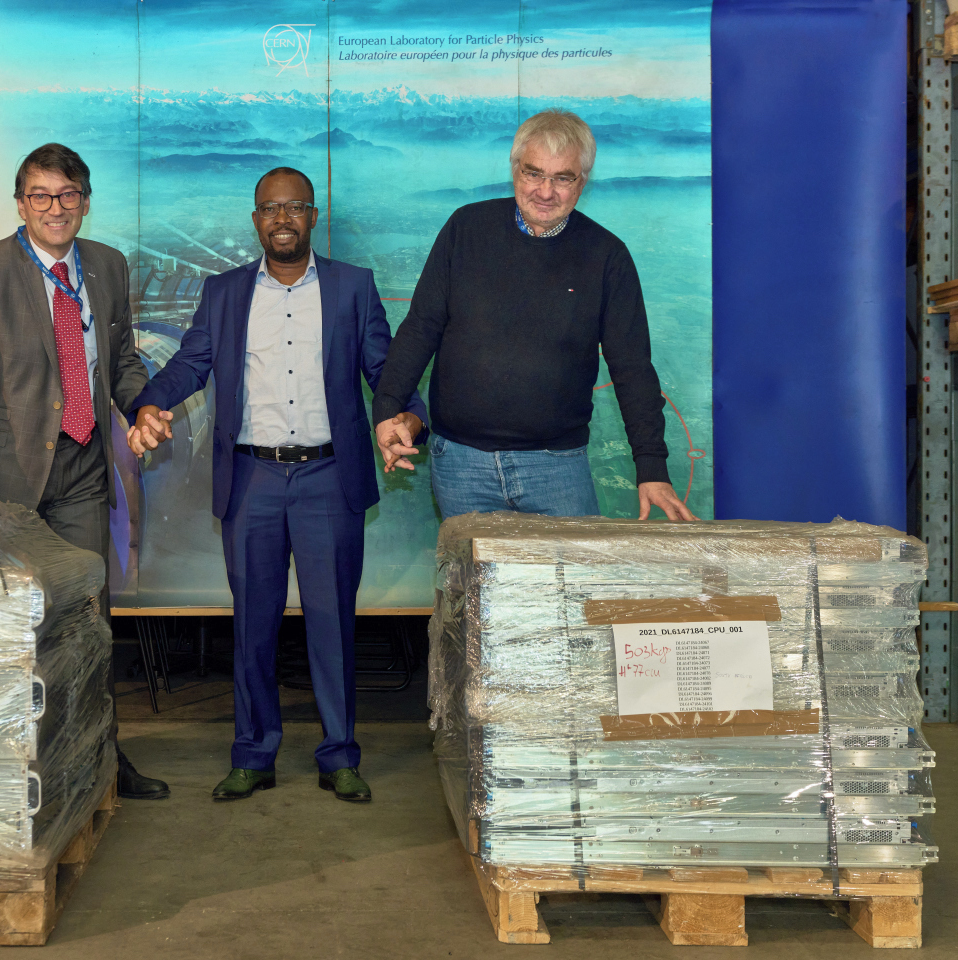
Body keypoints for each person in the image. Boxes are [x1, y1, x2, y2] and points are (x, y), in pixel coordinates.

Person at [125, 167, 427, 803]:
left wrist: (407, 418)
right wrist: (150, 404)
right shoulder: (226, 292)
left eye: (295, 207)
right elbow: (191, 364)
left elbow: (386, 369)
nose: (283, 219)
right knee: (253, 625)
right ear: (255, 218)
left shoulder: (353, 287)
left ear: (313, 216)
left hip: (327, 477)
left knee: (331, 623)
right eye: (270, 208)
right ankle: (252, 753)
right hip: (253, 479)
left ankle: (339, 755)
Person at [0, 142, 170, 800]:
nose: (55, 209)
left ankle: (101, 760)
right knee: (16, 625)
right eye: (41, 196)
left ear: (85, 204)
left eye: (67, 196)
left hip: (84, 469)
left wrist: (143, 406)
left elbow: (120, 362)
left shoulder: (108, 267)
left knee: (89, 617)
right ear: (21, 205)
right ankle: (16, 770)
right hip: (10, 479)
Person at [371, 110, 697, 522]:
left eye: (563, 178)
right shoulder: (465, 228)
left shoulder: (607, 257)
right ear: (514, 171)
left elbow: (632, 368)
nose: (546, 191)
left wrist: (651, 468)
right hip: (458, 465)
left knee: (567, 588)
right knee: (470, 587)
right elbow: (421, 327)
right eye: (534, 173)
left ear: (582, 182)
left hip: (557, 469)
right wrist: (386, 410)